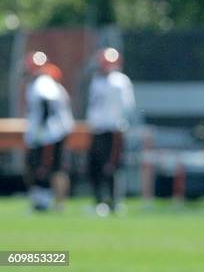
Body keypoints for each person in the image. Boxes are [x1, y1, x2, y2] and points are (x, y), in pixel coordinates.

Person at [86, 47, 135, 216]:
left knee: (112, 167)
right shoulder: (97, 80)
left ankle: (114, 202)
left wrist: (120, 124)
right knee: (95, 166)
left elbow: (127, 106)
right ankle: (99, 201)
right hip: (98, 129)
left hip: (114, 129)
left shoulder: (119, 81)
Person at [23, 51, 74, 211]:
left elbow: (46, 105)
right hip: (53, 131)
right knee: (53, 168)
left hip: (49, 134)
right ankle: (55, 202)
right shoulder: (49, 82)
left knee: (45, 168)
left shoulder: (43, 82)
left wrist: (40, 130)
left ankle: (47, 202)